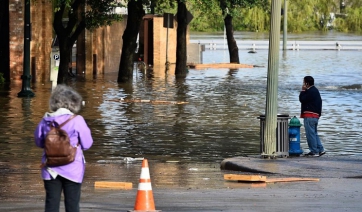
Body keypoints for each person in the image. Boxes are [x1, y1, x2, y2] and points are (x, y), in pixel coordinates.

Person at [34, 84, 93, 212]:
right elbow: (87, 144)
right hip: (73, 168)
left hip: (50, 168)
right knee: (72, 205)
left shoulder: (45, 120)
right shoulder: (77, 120)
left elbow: (39, 143)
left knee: (51, 203)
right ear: (73, 102)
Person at [299, 76, 326, 157]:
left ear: (307, 83)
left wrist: (303, 90)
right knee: (314, 133)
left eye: (304, 82)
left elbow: (302, 99)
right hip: (315, 116)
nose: (303, 84)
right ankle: (320, 149)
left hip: (309, 115)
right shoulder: (315, 90)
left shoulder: (310, 91)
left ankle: (313, 151)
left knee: (310, 134)